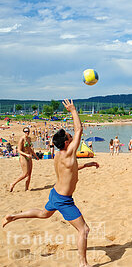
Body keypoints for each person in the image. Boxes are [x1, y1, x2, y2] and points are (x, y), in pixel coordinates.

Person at [2, 99, 99, 267]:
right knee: (84, 230)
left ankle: (13, 217)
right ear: (67, 142)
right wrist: (73, 110)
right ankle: (83, 264)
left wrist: (86, 165)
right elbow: (79, 129)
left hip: (55, 193)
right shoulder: (69, 153)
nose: (71, 135)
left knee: (43, 214)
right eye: (69, 136)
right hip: (63, 199)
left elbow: (68, 172)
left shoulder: (61, 156)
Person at [9, 127, 39, 192]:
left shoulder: (29, 138)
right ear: (23, 132)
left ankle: (27, 188)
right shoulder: (22, 139)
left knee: (29, 174)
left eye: (28, 131)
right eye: (25, 131)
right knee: (25, 174)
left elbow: (29, 148)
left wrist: (35, 155)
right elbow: (19, 150)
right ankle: (13, 184)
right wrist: (26, 155)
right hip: (23, 156)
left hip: (29, 156)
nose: (27, 132)